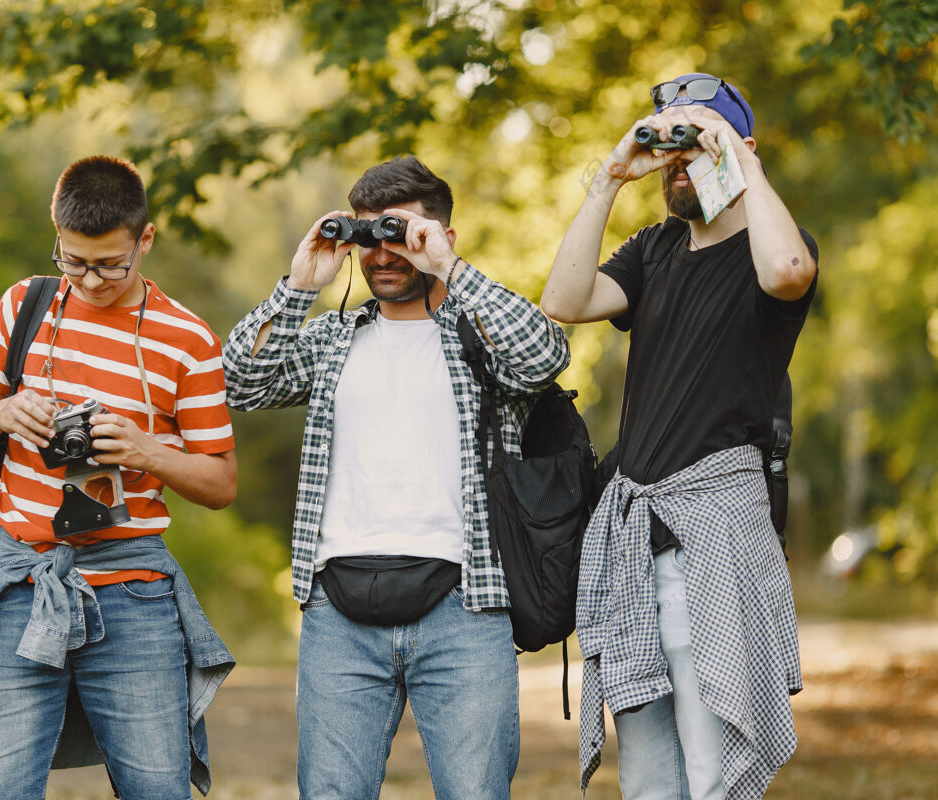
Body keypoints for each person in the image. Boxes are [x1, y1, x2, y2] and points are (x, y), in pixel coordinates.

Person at [222, 155, 570, 799]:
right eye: (367, 236)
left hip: (467, 605)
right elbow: (239, 381)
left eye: (400, 234)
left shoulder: (482, 338)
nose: (381, 253)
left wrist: (449, 271)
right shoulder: (333, 338)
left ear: (441, 236)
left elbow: (546, 353)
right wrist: (300, 285)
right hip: (337, 611)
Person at [0, 155, 238, 800]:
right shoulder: (24, 305)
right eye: (73, 260)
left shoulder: (188, 339)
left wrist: (148, 452)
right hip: (21, 580)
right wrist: (2, 412)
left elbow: (222, 483)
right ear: (57, 238)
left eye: (110, 263)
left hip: (134, 590)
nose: (89, 280)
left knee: (157, 787)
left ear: (145, 239)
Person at [541, 74, 818, 799]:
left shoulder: (774, 248)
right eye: (668, 147)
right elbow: (564, 300)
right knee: (651, 780)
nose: (677, 161)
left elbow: (787, 271)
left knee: (714, 770)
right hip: (635, 546)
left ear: (738, 148)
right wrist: (608, 177)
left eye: (695, 143)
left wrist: (740, 163)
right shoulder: (654, 250)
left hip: (714, 541)